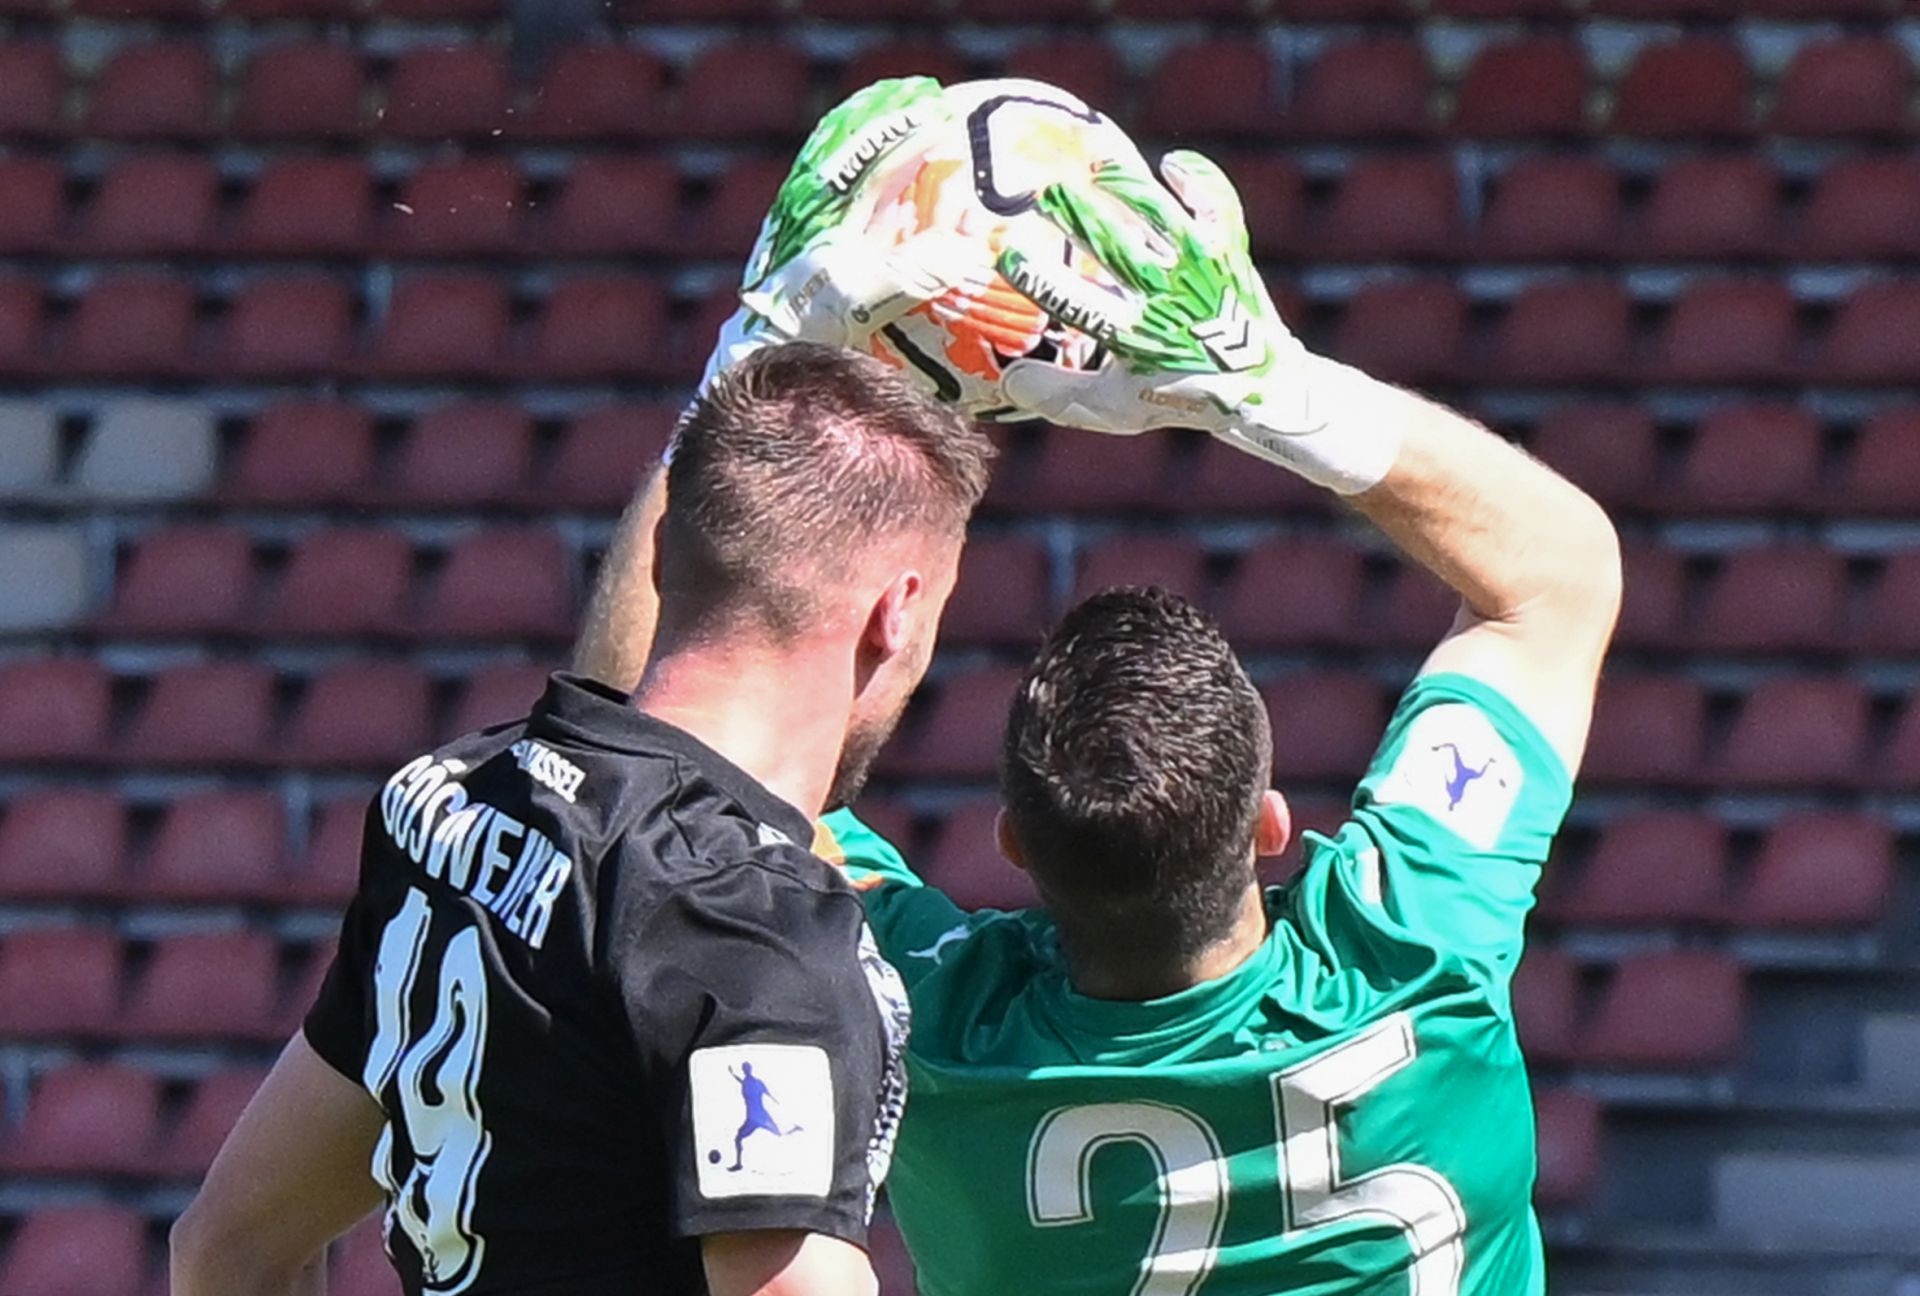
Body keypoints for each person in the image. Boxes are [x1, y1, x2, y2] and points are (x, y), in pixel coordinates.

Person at [821, 153, 1623, 1294]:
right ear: (1268, 824)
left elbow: (689, 754)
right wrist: (1268, 387)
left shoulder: (934, 1019)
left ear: (1013, 844)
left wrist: (762, 347)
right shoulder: (1413, 951)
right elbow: (1557, 577)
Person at [169, 342, 995, 1296]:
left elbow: (227, 1248)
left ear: (658, 552)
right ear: (897, 613)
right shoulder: (755, 937)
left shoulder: (452, 798)